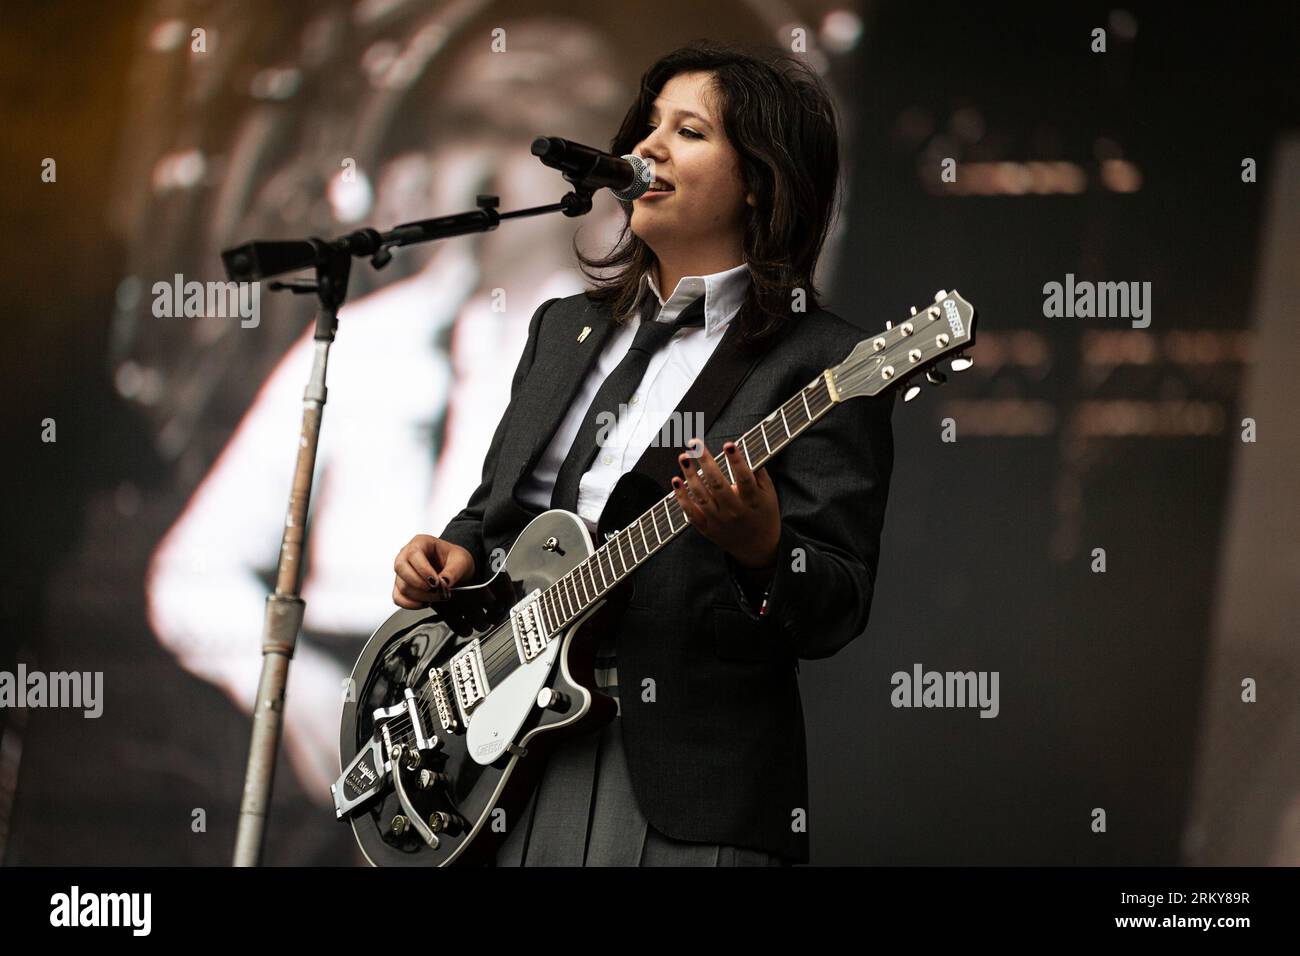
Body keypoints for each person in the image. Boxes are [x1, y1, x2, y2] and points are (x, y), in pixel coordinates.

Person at [391, 40, 893, 866]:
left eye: (688, 130)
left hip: (686, 784)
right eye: (647, 124)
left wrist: (765, 551)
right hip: (510, 759)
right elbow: (490, 519)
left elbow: (837, 601)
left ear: (761, 179)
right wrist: (450, 557)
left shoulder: (823, 365)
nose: (646, 147)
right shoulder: (562, 329)